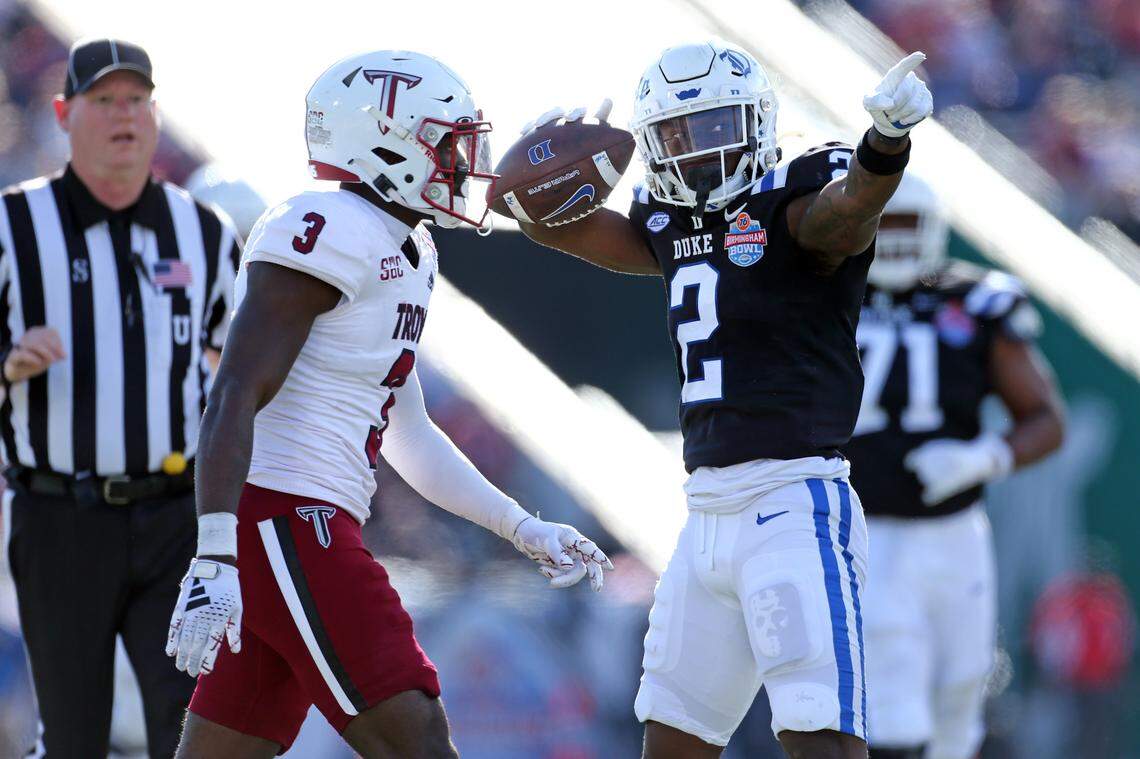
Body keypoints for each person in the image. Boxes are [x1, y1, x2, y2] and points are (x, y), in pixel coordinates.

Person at [163, 49, 613, 758]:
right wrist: (215, 551)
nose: (463, 162)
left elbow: (411, 435)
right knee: (419, 739)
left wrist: (521, 525)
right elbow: (235, 392)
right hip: (288, 519)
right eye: (446, 143)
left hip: (301, 521)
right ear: (384, 142)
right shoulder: (325, 223)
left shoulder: (410, 249)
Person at [515, 39, 933, 758]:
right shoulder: (667, 221)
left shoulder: (795, 189)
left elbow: (844, 215)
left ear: (756, 121)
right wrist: (535, 178)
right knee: (673, 738)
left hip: (794, 502)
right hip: (705, 517)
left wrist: (880, 150)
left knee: (821, 737)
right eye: (676, 135)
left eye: (712, 128)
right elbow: (562, 229)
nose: (695, 151)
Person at [0, 37, 239, 757]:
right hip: (59, 515)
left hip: (176, 517)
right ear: (65, 114)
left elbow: (247, 370)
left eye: (136, 99)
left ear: (157, 116)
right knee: (73, 736)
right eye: (103, 100)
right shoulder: (11, 227)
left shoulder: (206, 231)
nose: (122, 115)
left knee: (191, 732)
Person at [843, 172, 1065, 759]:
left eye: (904, 222)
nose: (891, 237)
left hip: (954, 531)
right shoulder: (821, 297)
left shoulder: (977, 301)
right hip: (860, 531)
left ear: (933, 228)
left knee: (963, 689)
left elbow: (1047, 419)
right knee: (890, 692)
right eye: (880, 221)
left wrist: (983, 457)